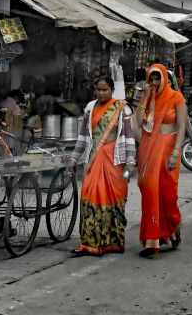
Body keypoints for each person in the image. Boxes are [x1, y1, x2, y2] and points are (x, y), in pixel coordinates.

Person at [65, 77, 137, 256]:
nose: (101, 93)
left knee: (114, 200)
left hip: (116, 162)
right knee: (88, 195)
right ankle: (89, 243)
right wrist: (73, 159)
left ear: (112, 90)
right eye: (98, 89)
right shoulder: (90, 108)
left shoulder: (122, 108)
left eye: (105, 90)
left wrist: (131, 162)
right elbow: (83, 137)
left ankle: (112, 242)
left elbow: (129, 137)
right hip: (93, 159)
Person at [133, 63, 188, 257]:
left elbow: (181, 127)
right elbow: (139, 122)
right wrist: (145, 97)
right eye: (152, 79)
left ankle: (173, 226)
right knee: (149, 191)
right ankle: (152, 241)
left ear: (164, 78)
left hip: (168, 150)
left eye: (158, 78)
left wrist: (175, 153)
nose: (155, 82)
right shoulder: (147, 98)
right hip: (149, 148)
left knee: (167, 196)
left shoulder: (176, 97)